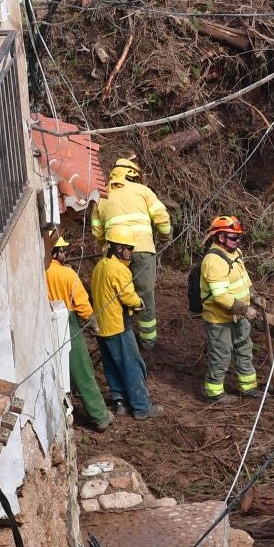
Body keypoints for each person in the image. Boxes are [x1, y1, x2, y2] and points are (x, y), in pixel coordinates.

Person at [87, 156, 171, 346]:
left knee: (118, 293)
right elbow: (162, 218)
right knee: (144, 294)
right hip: (142, 250)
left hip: (113, 254)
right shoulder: (143, 191)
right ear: (132, 174)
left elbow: (97, 231)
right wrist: (165, 237)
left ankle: (124, 334)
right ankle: (148, 342)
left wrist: (106, 245)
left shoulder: (102, 195)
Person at [89, 231, 159, 418]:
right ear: (119, 248)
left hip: (101, 328)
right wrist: (139, 303)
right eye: (129, 249)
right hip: (117, 326)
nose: (131, 253)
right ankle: (142, 407)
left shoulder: (100, 266)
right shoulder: (119, 269)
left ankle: (120, 402)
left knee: (111, 365)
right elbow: (128, 297)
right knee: (133, 366)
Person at [46, 235, 112, 428]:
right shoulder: (67, 274)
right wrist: (93, 324)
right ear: (55, 253)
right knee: (82, 372)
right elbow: (82, 304)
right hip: (68, 322)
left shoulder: (38, 270)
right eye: (62, 251)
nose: (65, 254)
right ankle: (100, 416)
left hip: (44, 322)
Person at [199, 215, 258, 402]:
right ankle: (214, 393)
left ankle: (248, 387)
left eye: (239, 237)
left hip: (238, 317)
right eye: (233, 237)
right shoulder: (213, 261)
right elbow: (220, 296)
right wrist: (245, 309)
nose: (237, 241)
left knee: (244, 349)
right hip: (220, 319)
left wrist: (255, 297)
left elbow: (244, 280)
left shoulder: (235, 253)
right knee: (221, 355)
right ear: (220, 237)